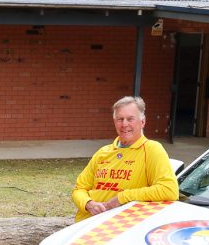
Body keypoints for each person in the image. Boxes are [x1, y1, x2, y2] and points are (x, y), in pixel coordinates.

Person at [71, 95, 179, 223]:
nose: (124, 124)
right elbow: (79, 189)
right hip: (85, 223)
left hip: (118, 226)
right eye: (120, 119)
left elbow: (169, 190)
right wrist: (89, 204)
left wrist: (122, 197)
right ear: (114, 122)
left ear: (142, 122)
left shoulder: (151, 149)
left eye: (130, 119)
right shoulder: (103, 152)